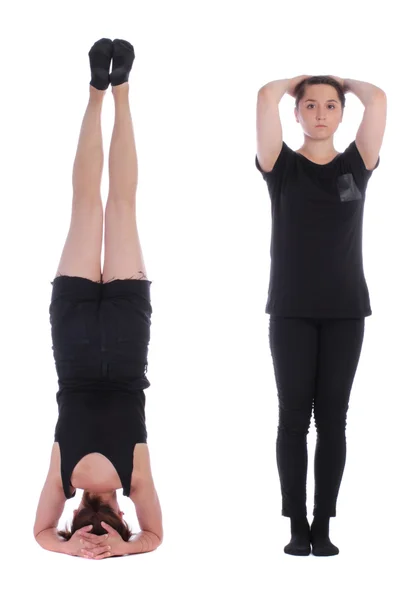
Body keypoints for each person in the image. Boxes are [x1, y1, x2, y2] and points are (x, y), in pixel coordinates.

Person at [33, 38, 163, 559]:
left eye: (86, 537)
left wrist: (68, 550)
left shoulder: (62, 482)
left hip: (74, 337)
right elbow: (157, 538)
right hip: (125, 336)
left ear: (76, 522)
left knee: (88, 203)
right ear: (122, 523)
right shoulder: (138, 484)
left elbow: (40, 535)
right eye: (108, 537)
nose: (96, 538)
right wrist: (125, 551)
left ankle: (95, 91)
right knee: (121, 205)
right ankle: (122, 89)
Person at [255, 74, 386, 556]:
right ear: (297, 112)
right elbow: (264, 96)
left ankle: (324, 524)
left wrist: (344, 82)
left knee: (333, 420)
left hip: (346, 311)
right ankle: (295, 525)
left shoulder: (357, 165)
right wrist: (296, 82)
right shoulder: (281, 168)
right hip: (290, 310)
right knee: (293, 419)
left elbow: (380, 99)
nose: (320, 114)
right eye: (310, 105)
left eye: (331, 106)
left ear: (341, 113)